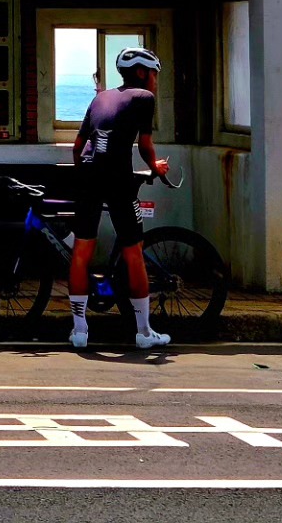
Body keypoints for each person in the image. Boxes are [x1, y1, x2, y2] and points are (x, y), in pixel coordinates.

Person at [68, 46, 170, 350]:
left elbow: (78, 146)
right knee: (133, 251)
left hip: (88, 173)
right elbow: (145, 145)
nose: (155, 80)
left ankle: (79, 332)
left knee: (82, 251)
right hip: (117, 178)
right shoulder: (144, 98)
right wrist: (156, 167)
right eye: (154, 73)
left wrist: (86, 177)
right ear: (141, 72)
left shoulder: (100, 97)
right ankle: (143, 332)